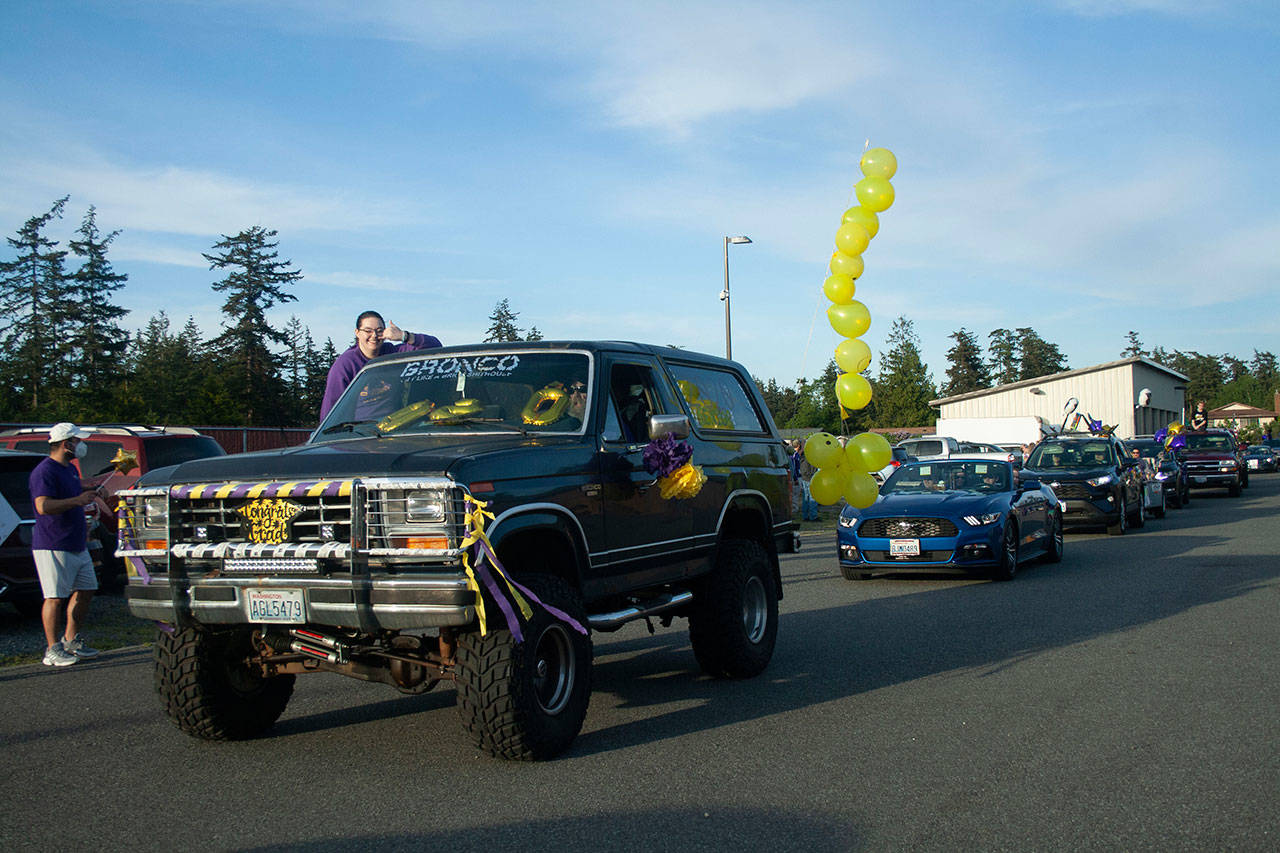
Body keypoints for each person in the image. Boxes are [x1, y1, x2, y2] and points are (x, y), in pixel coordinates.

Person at [30, 423, 102, 667]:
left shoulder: (69, 470)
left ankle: (71, 640)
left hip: (76, 543)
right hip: (53, 544)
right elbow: (43, 506)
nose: (81, 445)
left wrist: (91, 491)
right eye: (78, 441)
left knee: (87, 589)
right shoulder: (45, 471)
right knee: (55, 597)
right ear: (65, 444)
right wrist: (78, 500)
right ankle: (52, 649)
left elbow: (74, 491)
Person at [319, 311, 442, 419]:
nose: (374, 336)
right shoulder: (346, 363)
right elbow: (331, 406)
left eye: (379, 331)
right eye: (368, 331)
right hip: (359, 432)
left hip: (397, 426)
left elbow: (435, 347)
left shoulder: (393, 353)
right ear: (357, 332)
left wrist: (403, 336)